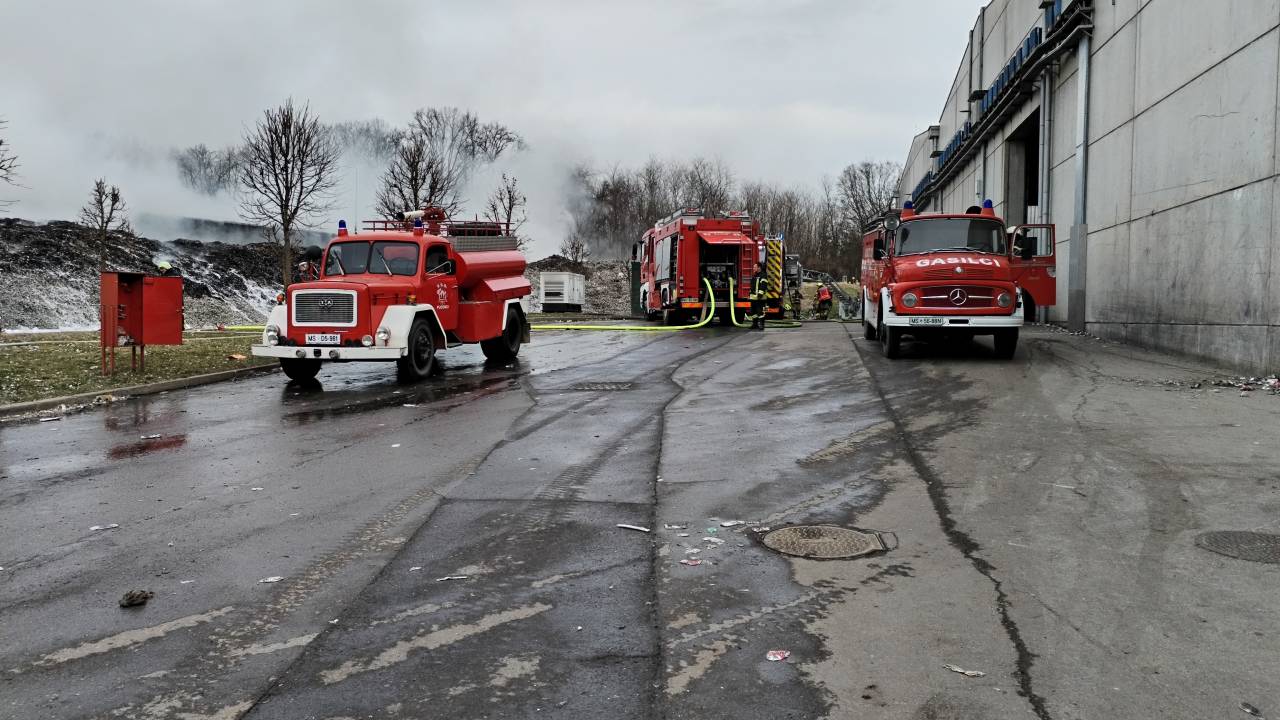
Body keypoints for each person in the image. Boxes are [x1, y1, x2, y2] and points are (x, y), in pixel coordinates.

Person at [749, 264, 767, 330]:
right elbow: (752, 287)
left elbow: (763, 285)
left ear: (759, 268)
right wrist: (749, 295)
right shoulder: (754, 276)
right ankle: (755, 324)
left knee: (760, 312)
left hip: (760, 298)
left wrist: (760, 295)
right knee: (753, 312)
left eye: (755, 267)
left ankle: (761, 325)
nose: (753, 268)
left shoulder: (763, 275)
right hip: (753, 298)